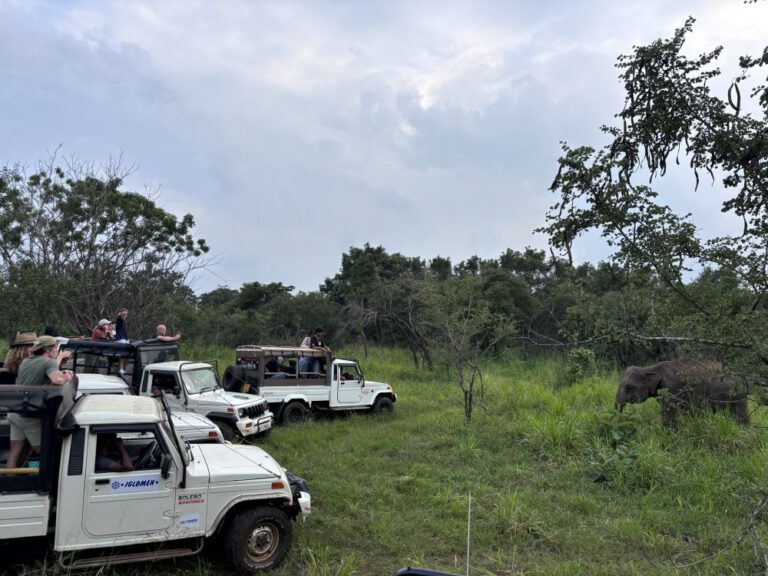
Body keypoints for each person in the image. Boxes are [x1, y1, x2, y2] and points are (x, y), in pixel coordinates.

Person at [6, 335, 74, 469]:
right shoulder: (48, 362)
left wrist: (57, 361)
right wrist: (67, 377)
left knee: (14, 454)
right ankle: (41, 485)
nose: (57, 350)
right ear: (48, 350)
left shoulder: (26, 360)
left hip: (15, 413)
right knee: (45, 453)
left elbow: (40, 375)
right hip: (29, 417)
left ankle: (9, 483)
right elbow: (57, 380)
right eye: (55, 348)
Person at [114, 308, 129, 377]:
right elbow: (121, 315)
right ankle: (121, 369)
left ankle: (124, 369)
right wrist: (122, 313)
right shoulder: (119, 320)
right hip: (120, 340)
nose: (126, 314)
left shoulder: (125, 322)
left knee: (127, 355)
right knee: (122, 354)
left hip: (125, 339)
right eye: (124, 313)